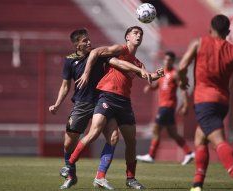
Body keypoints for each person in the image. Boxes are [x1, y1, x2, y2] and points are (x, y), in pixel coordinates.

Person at [49, 28, 151, 190]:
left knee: (113, 137)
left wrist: (140, 69)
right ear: (76, 45)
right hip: (82, 104)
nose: (89, 42)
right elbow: (65, 85)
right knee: (69, 143)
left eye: (89, 40)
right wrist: (57, 104)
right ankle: (70, 174)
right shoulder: (69, 60)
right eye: (84, 41)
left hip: (102, 99)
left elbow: (116, 63)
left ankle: (101, 176)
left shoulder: (99, 56)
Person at [178, 14, 233, 191]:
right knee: (200, 138)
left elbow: (181, 66)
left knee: (218, 140)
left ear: (210, 29)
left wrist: (182, 81)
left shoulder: (199, 43)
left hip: (204, 100)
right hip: (222, 101)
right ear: (228, 31)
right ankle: (197, 184)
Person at [136, 51, 195, 165]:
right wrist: (150, 88)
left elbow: (183, 88)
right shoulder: (162, 72)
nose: (166, 61)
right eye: (165, 59)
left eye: (169, 60)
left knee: (156, 129)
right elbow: (157, 86)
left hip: (167, 106)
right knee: (173, 133)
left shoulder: (175, 73)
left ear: (173, 61)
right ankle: (189, 153)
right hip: (164, 106)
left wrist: (186, 105)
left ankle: (151, 155)